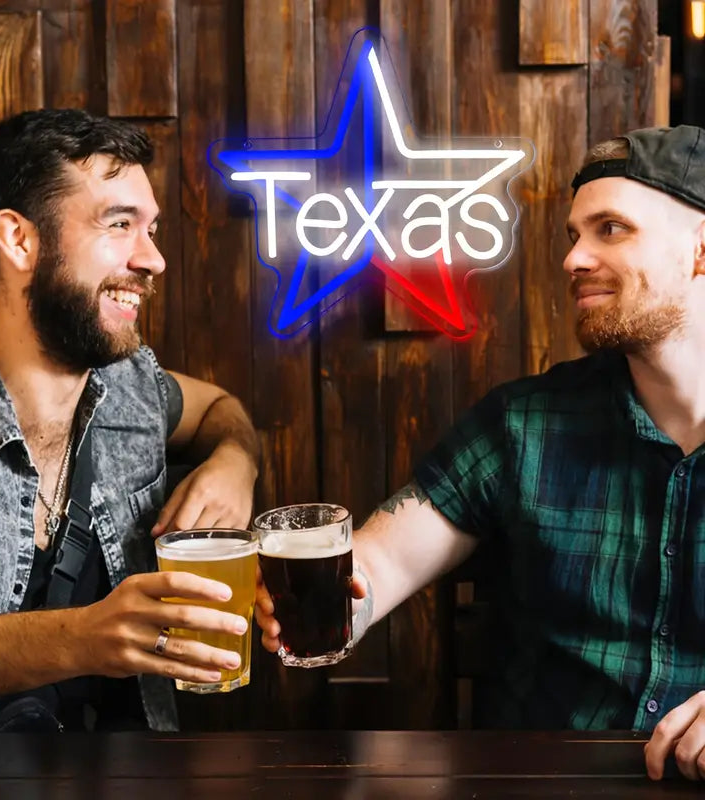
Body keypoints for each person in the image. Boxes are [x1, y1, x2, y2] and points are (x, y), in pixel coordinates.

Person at [256, 124, 705, 781]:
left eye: (610, 229)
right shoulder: (524, 423)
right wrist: (343, 605)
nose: (573, 259)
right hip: (539, 785)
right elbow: (380, 561)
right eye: (573, 236)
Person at [0, 108, 259, 732]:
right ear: (19, 240)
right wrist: (84, 638)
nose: (153, 260)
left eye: (151, 229)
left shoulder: (131, 388)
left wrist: (236, 462)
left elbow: (220, 411)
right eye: (119, 224)